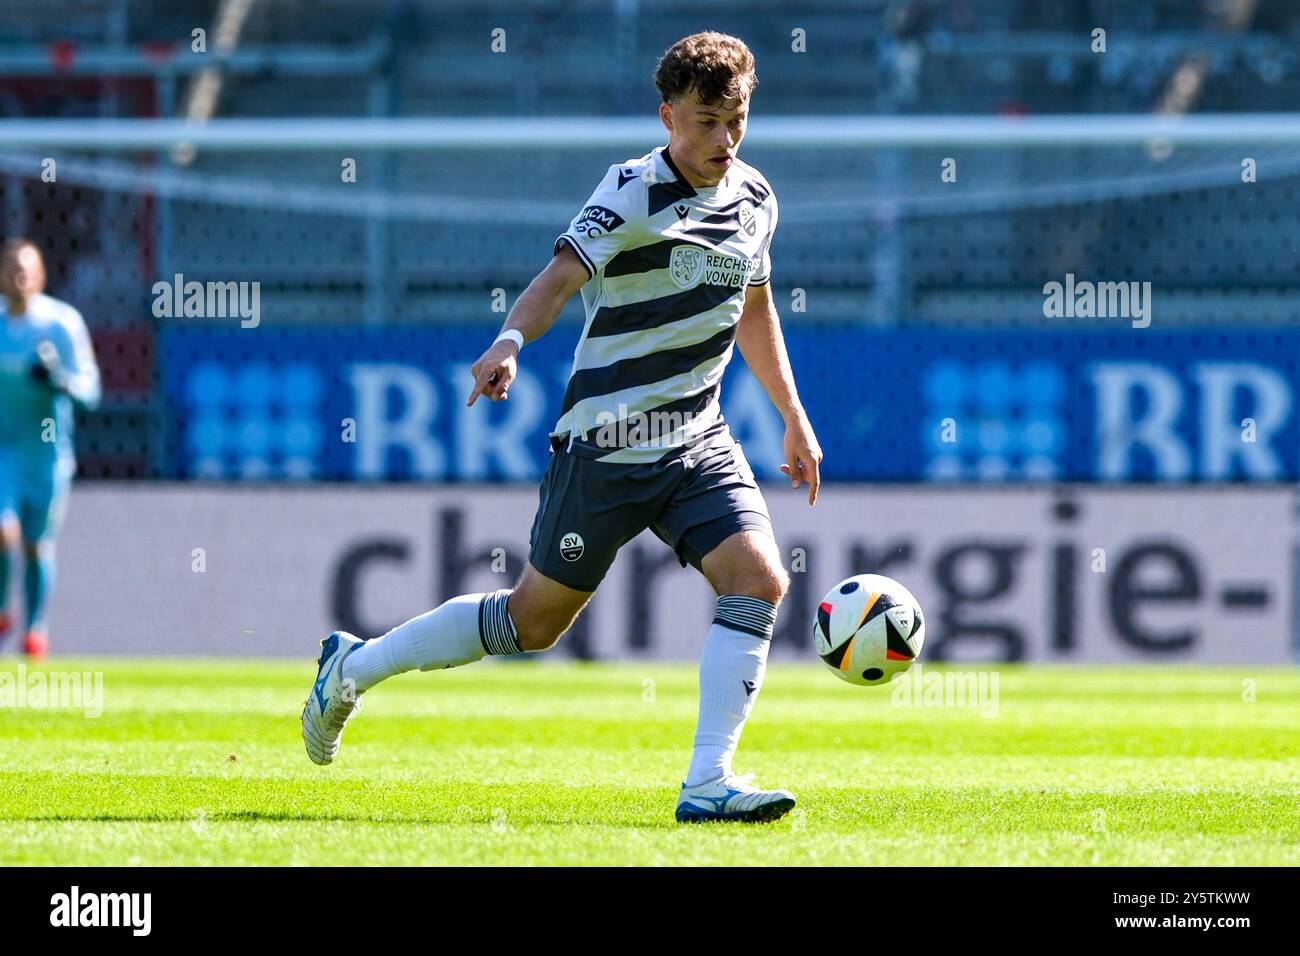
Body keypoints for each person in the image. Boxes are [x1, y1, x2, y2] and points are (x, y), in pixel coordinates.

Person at [302, 32, 822, 823]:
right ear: (668, 115)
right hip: (607, 445)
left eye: (737, 121)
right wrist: (510, 341)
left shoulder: (756, 199)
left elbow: (754, 309)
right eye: (708, 121)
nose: (725, 140)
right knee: (532, 622)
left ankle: (709, 781)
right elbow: (557, 279)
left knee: (759, 580)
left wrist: (792, 416)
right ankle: (353, 668)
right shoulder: (628, 192)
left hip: (698, 440)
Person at [0, 238, 101, 658]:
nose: (19, 277)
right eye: (10, 269)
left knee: (36, 545)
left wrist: (57, 379)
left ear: (41, 275)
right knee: (3, 532)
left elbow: (90, 392)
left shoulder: (61, 325)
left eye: (27, 269)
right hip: (4, 450)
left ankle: (35, 630)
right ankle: (4, 608)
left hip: (48, 455)